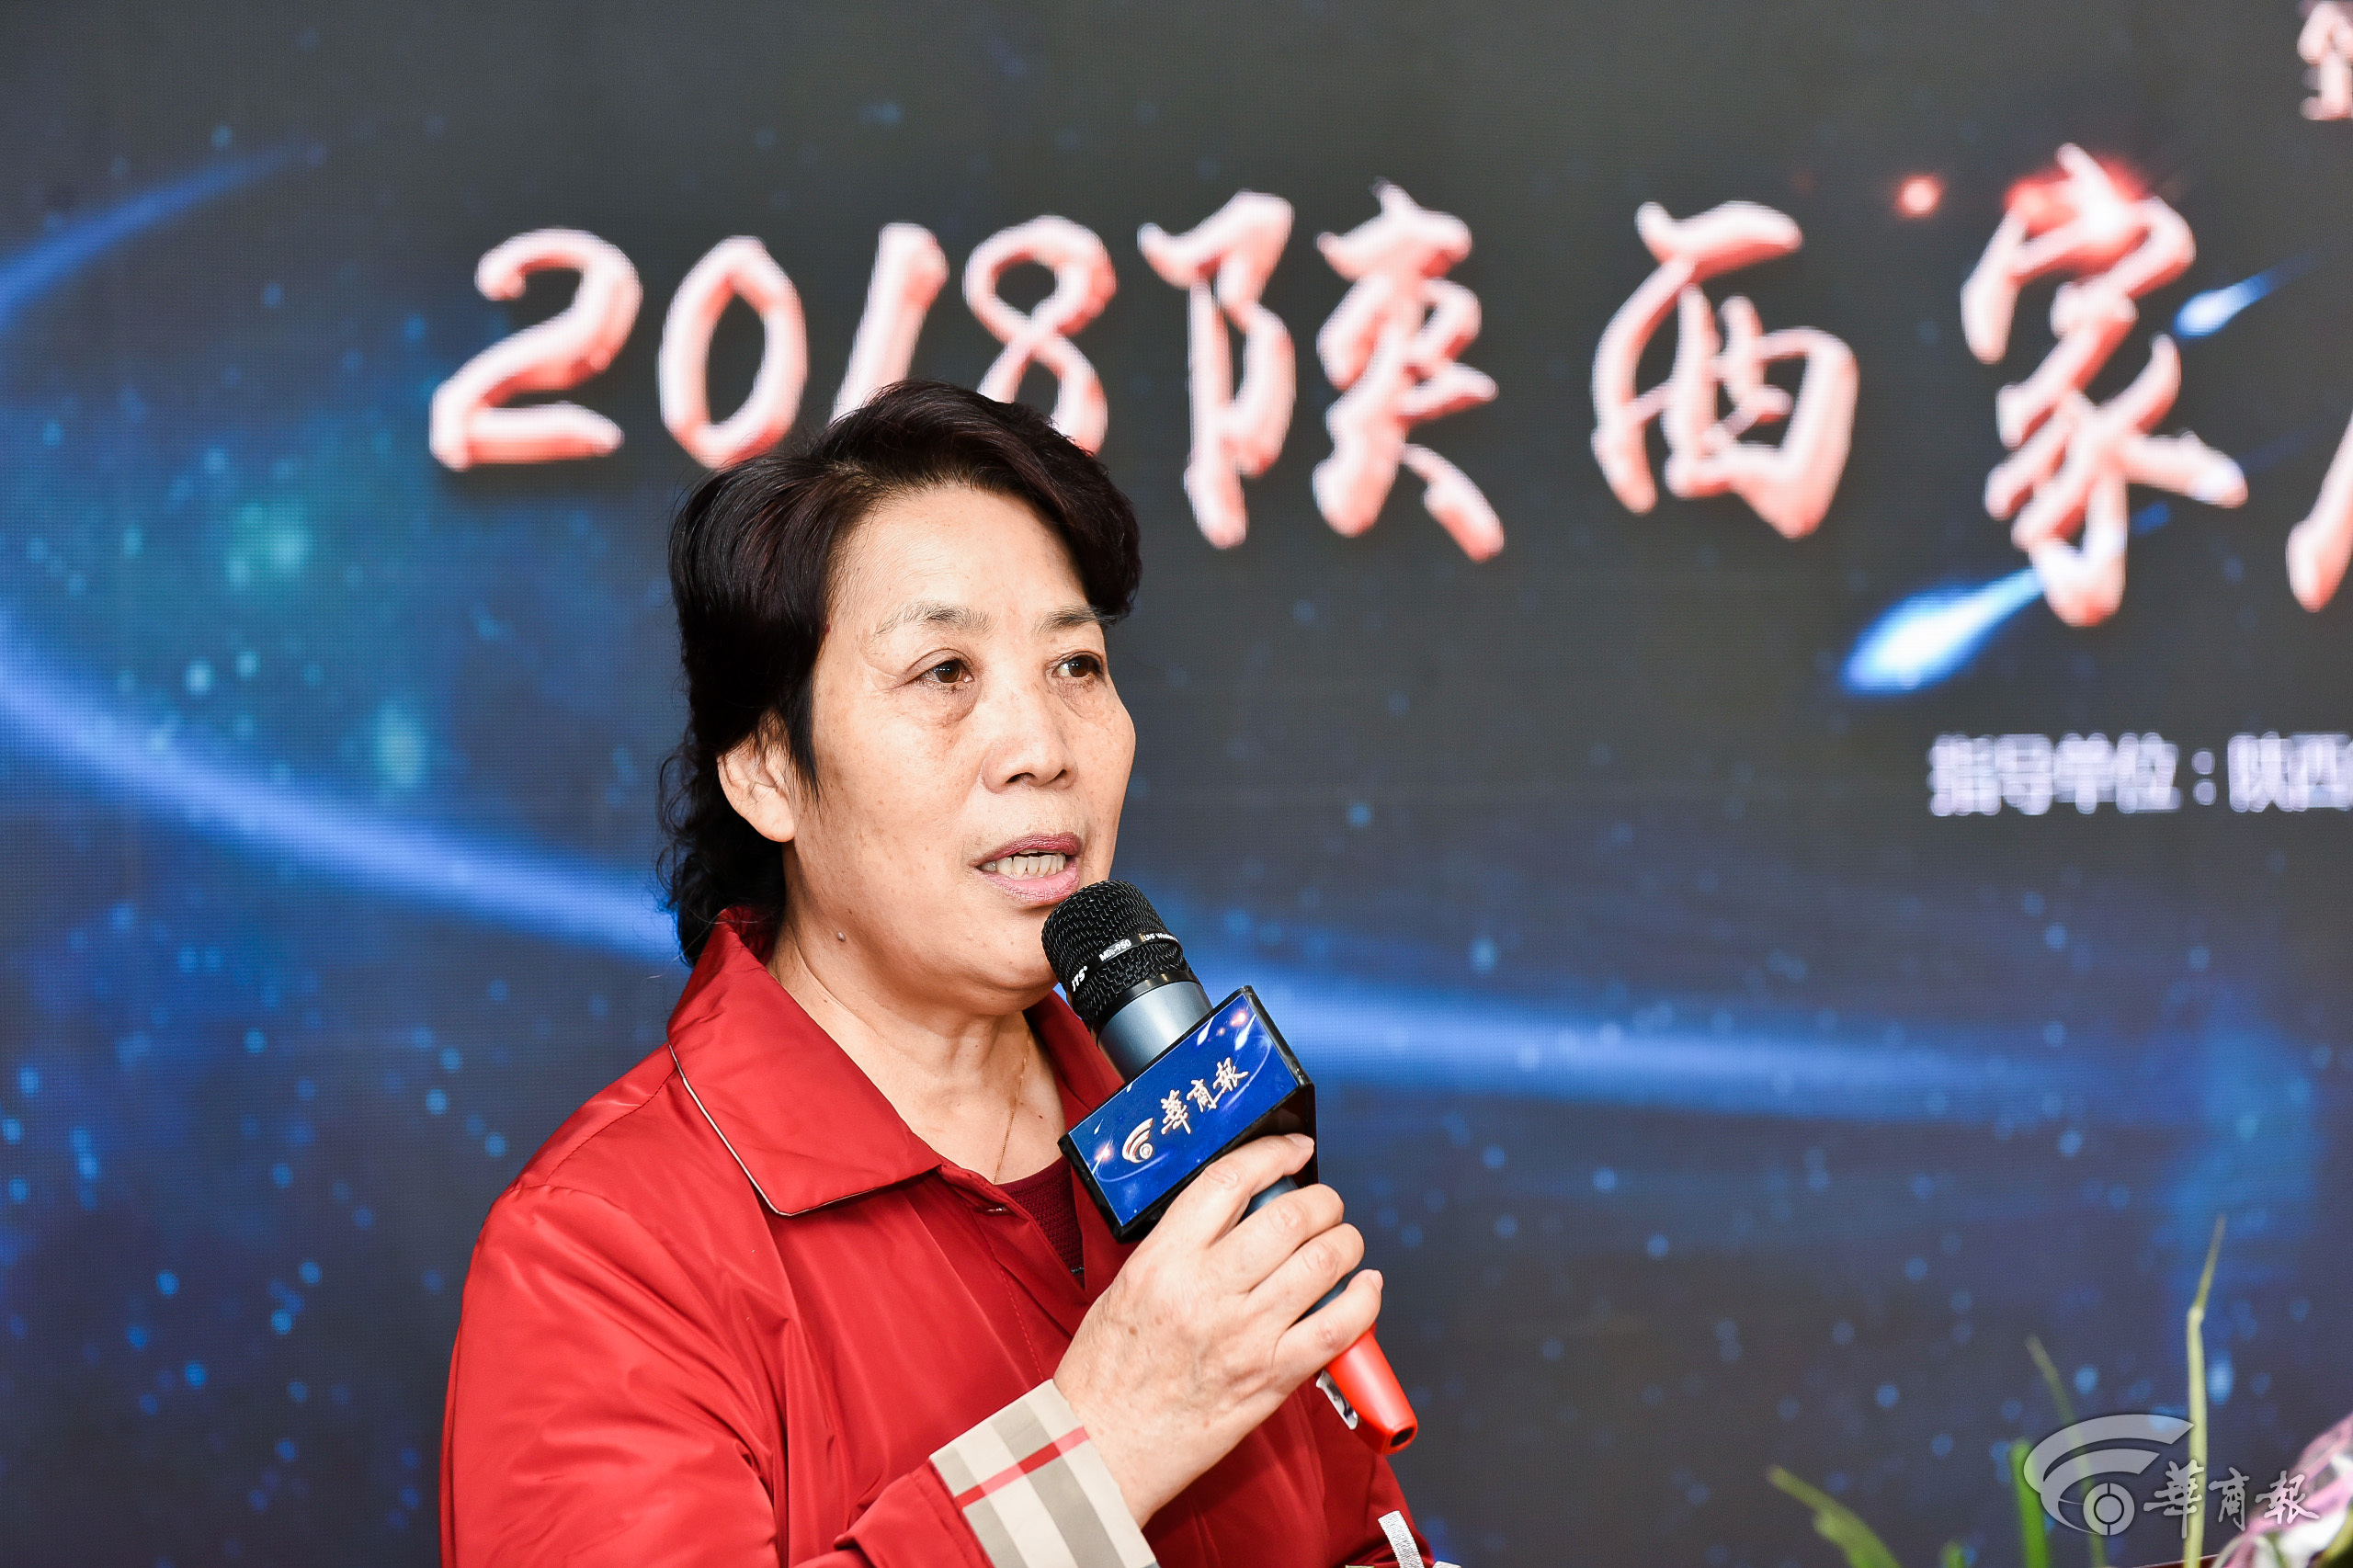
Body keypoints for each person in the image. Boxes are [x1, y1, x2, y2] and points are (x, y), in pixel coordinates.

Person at [438, 381, 1431, 1567]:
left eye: (1075, 664)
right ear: (768, 771)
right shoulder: (605, 1251)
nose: (1041, 748)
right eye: (945, 673)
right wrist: (1103, 1450)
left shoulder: (1182, 1123)